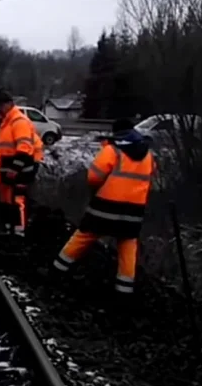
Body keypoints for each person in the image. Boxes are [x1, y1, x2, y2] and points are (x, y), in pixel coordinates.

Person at [50, 118, 155, 296]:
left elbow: (94, 177)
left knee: (85, 234)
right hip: (134, 211)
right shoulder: (148, 155)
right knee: (127, 244)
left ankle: (58, 269)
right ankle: (124, 289)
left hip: (106, 206)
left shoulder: (112, 150)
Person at [0, 88, 38, 236]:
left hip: (18, 171)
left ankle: (19, 232)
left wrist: (15, 168)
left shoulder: (18, 122)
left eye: (2, 105)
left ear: (9, 104)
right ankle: (9, 229)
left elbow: (25, 148)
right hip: (4, 172)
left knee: (17, 200)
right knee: (6, 202)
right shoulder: (1, 123)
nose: (0, 109)